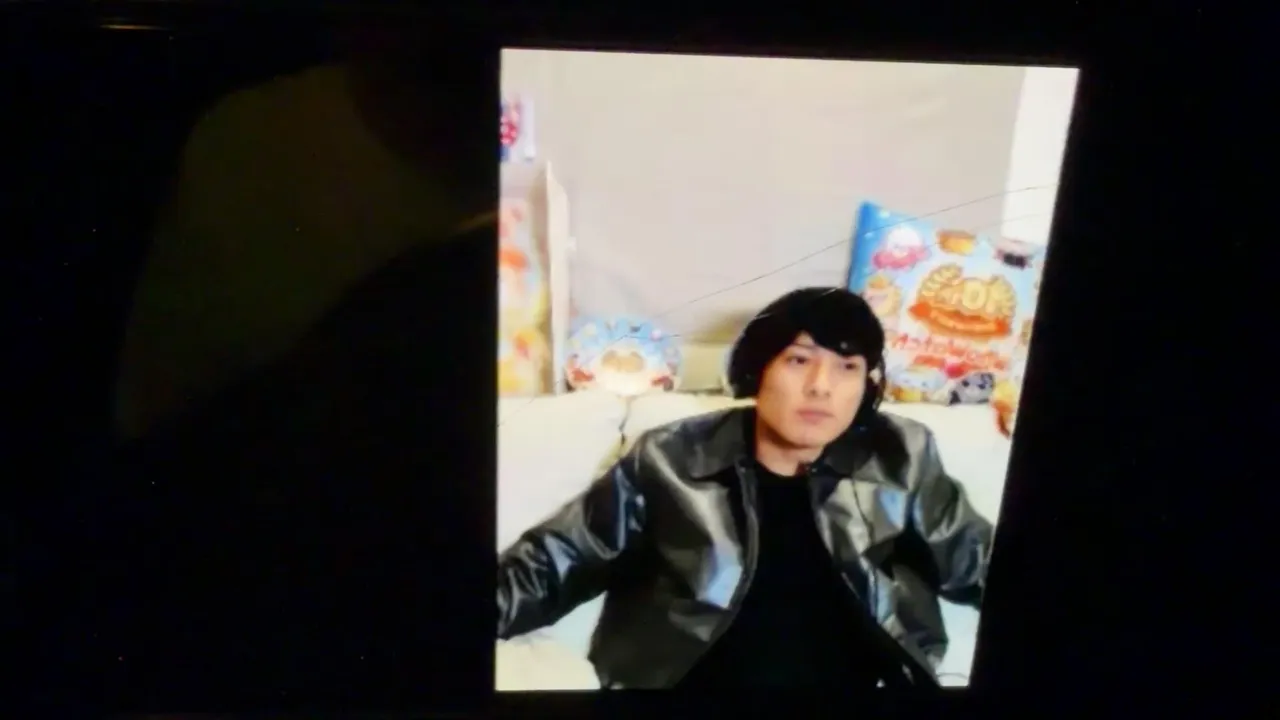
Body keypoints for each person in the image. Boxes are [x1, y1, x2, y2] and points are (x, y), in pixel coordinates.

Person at [496, 287, 995, 691]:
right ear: (759, 370)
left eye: (848, 367)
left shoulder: (900, 457)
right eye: (799, 361)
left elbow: (976, 562)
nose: (821, 386)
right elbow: (553, 563)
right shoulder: (671, 459)